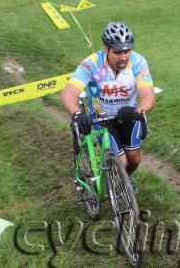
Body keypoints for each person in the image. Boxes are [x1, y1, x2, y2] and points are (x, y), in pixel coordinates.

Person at [60, 22, 156, 191]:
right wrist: (77, 113)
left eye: (127, 51)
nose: (124, 57)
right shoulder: (91, 64)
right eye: (117, 52)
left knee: (134, 160)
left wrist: (139, 111)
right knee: (120, 162)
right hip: (101, 117)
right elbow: (68, 93)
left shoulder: (138, 62)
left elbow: (148, 95)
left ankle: (118, 182)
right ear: (106, 49)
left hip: (127, 115)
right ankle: (112, 184)